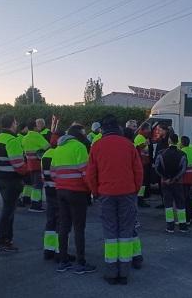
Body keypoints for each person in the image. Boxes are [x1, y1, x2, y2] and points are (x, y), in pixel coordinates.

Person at [86, 115, 143, 285]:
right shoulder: (128, 145)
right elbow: (138, 171)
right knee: (126, 232)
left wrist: (96, 192)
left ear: (102, 129)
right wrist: (134, 191)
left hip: (106, 194)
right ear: (118, 127)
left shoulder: (96, 146)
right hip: (127, 194)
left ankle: (111, 272)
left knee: (110, 233)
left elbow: (91, 174)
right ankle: (124, 273)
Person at [53, 125, 97, 274]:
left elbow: (53, 172)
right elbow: (86, 173)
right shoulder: (79, 147)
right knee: (79, 228)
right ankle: (80, 262)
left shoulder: (58, 148)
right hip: (77, 192)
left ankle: (63, 261)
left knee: (64, 226)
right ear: (79, 134)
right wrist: (92, 190)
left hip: (61, 191)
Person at [0, 115, 28, 251]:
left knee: (7, 209)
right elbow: (18, 164)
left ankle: (5, 239)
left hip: (0, 178)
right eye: (15, 122)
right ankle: (4, 240)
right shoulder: (12, 140)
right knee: (8, 211)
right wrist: (26, 173)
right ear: (13, 124)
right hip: (11, 180)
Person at [41, 130, 70, 262]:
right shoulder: (61, 153)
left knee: (50, 221)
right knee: (62, 222)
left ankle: (48, 249)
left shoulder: (46, 154)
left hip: (48, 190)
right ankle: (60, 251)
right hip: (60, 191)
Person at [154, 133, 188, 233]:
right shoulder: (182, 154)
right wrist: (175, 179)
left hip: (165, 183)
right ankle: (183, 226)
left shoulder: (161, 153)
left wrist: (165, 178)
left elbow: (157, 167)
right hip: (178, 183)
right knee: (180, 204)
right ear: (177, 142)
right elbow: (183, 169)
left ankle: (170, 226)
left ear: (169, 141)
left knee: (168, 204)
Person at [22, 119, 51, 212]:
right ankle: (35, 205)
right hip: (38, 164)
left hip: (29, 164)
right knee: (37, 186)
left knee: (31, 183)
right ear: (35, 127)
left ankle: (28, 200)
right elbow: (47, 146)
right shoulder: (37, 136)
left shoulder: (25, 138)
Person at [180, 136, 192, 224]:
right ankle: (190, 218)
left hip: (184, 179)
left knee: (184, 199)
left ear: (182, 143)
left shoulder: (182, 152)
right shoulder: (191, 150)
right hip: (191, 178)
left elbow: (181, 166)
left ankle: (186, 219)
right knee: (189, 198)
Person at [134, 123, 152, 208]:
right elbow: (138, 148)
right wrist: (146, 143)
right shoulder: (139, 137)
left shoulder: (142, 137)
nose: (149, 131)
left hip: (144, 163)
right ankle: (139, 199)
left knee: (143, 182)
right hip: (142, 163)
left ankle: (141, 198)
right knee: (142, 182)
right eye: (148, 129)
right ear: (143, 130)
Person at [17, 122, 32, 207]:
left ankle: (26, 198)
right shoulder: (20, 138)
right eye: (27, 127)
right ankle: (20, 199)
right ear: (24, 128)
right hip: (23, 162)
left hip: (25, 161)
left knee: (28, 181)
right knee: (22, 182)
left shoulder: (20, 137)